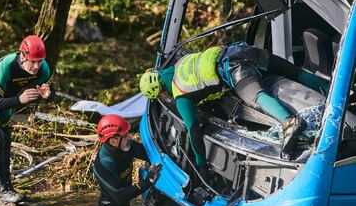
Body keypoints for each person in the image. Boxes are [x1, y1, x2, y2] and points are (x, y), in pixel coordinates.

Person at [139, 42, 328, 179]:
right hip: (240, 50)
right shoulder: (181, 62)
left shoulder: (179, 94)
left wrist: (202, 165)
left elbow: (194, 130)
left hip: (235, 69)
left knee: (257, 98)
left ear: (161, 93)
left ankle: (289, 122)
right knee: (294, 72)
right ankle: (336, 90)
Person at [0, 35, 54, 203]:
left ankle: (9, 188)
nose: (37, 66)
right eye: (33, 62)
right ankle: (2, 191)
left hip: (7, 103)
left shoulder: (43, 68)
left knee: (6, 142)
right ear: (23, 56)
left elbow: (49, 93)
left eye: (40, 61)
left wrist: (48, 95)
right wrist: (19, 100)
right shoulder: (6, 66)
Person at [93, 114, 162, 206]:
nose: (130, 136)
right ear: (113, 141)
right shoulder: (103, 163)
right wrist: (147, 182)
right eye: (125, 135)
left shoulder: (127, 146)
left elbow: (150, 154)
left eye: (128, 132)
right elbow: (119, 196)